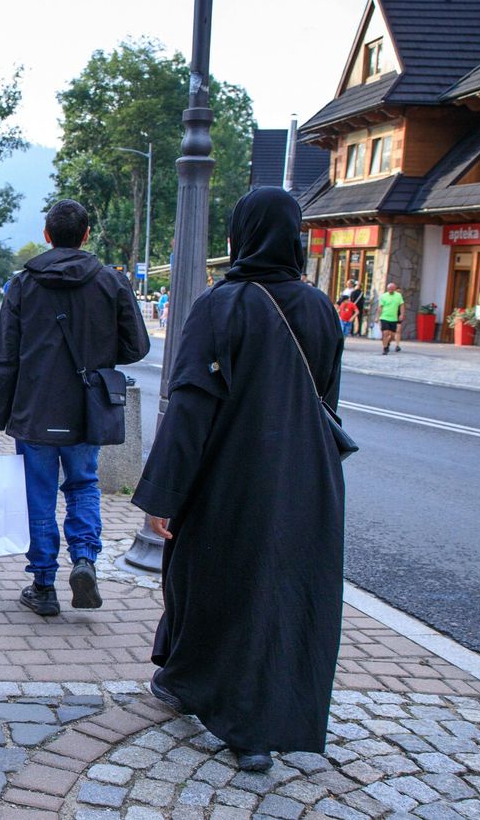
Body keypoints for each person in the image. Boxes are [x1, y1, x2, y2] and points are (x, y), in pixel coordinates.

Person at [132, 187, 345, 773]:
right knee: (281, 590)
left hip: (231, 474)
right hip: (306, 478)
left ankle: (242, 723)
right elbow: (327, 399)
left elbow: (191, 406)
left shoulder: (222, 304)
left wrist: (162, 496)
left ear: (240, 235)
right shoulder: (321, 307)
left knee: (214, 581)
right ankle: (186, 677)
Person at [0, 199, 150, 617]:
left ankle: (43, 585)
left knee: (37, 495)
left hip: (33, 409)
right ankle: (85, 560)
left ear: (47, 235)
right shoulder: (111, 282)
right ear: (87, 234)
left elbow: (4, 356)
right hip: (87, 407)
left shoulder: (21, 285)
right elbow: (137, 346)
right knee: (82, 485)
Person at [378, 281, 405, 354]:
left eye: (392, 289)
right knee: (385, 333)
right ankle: (385, 348)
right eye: (389, 289)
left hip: (394, 318)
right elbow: (380, 307)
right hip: (384, 317)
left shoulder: (398, 296)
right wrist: (378, 317)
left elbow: (402, 305)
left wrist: (402, 314)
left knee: (393, 335)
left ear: (394, 289)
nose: (390, 290)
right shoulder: (383, 296)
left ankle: (387, 343)